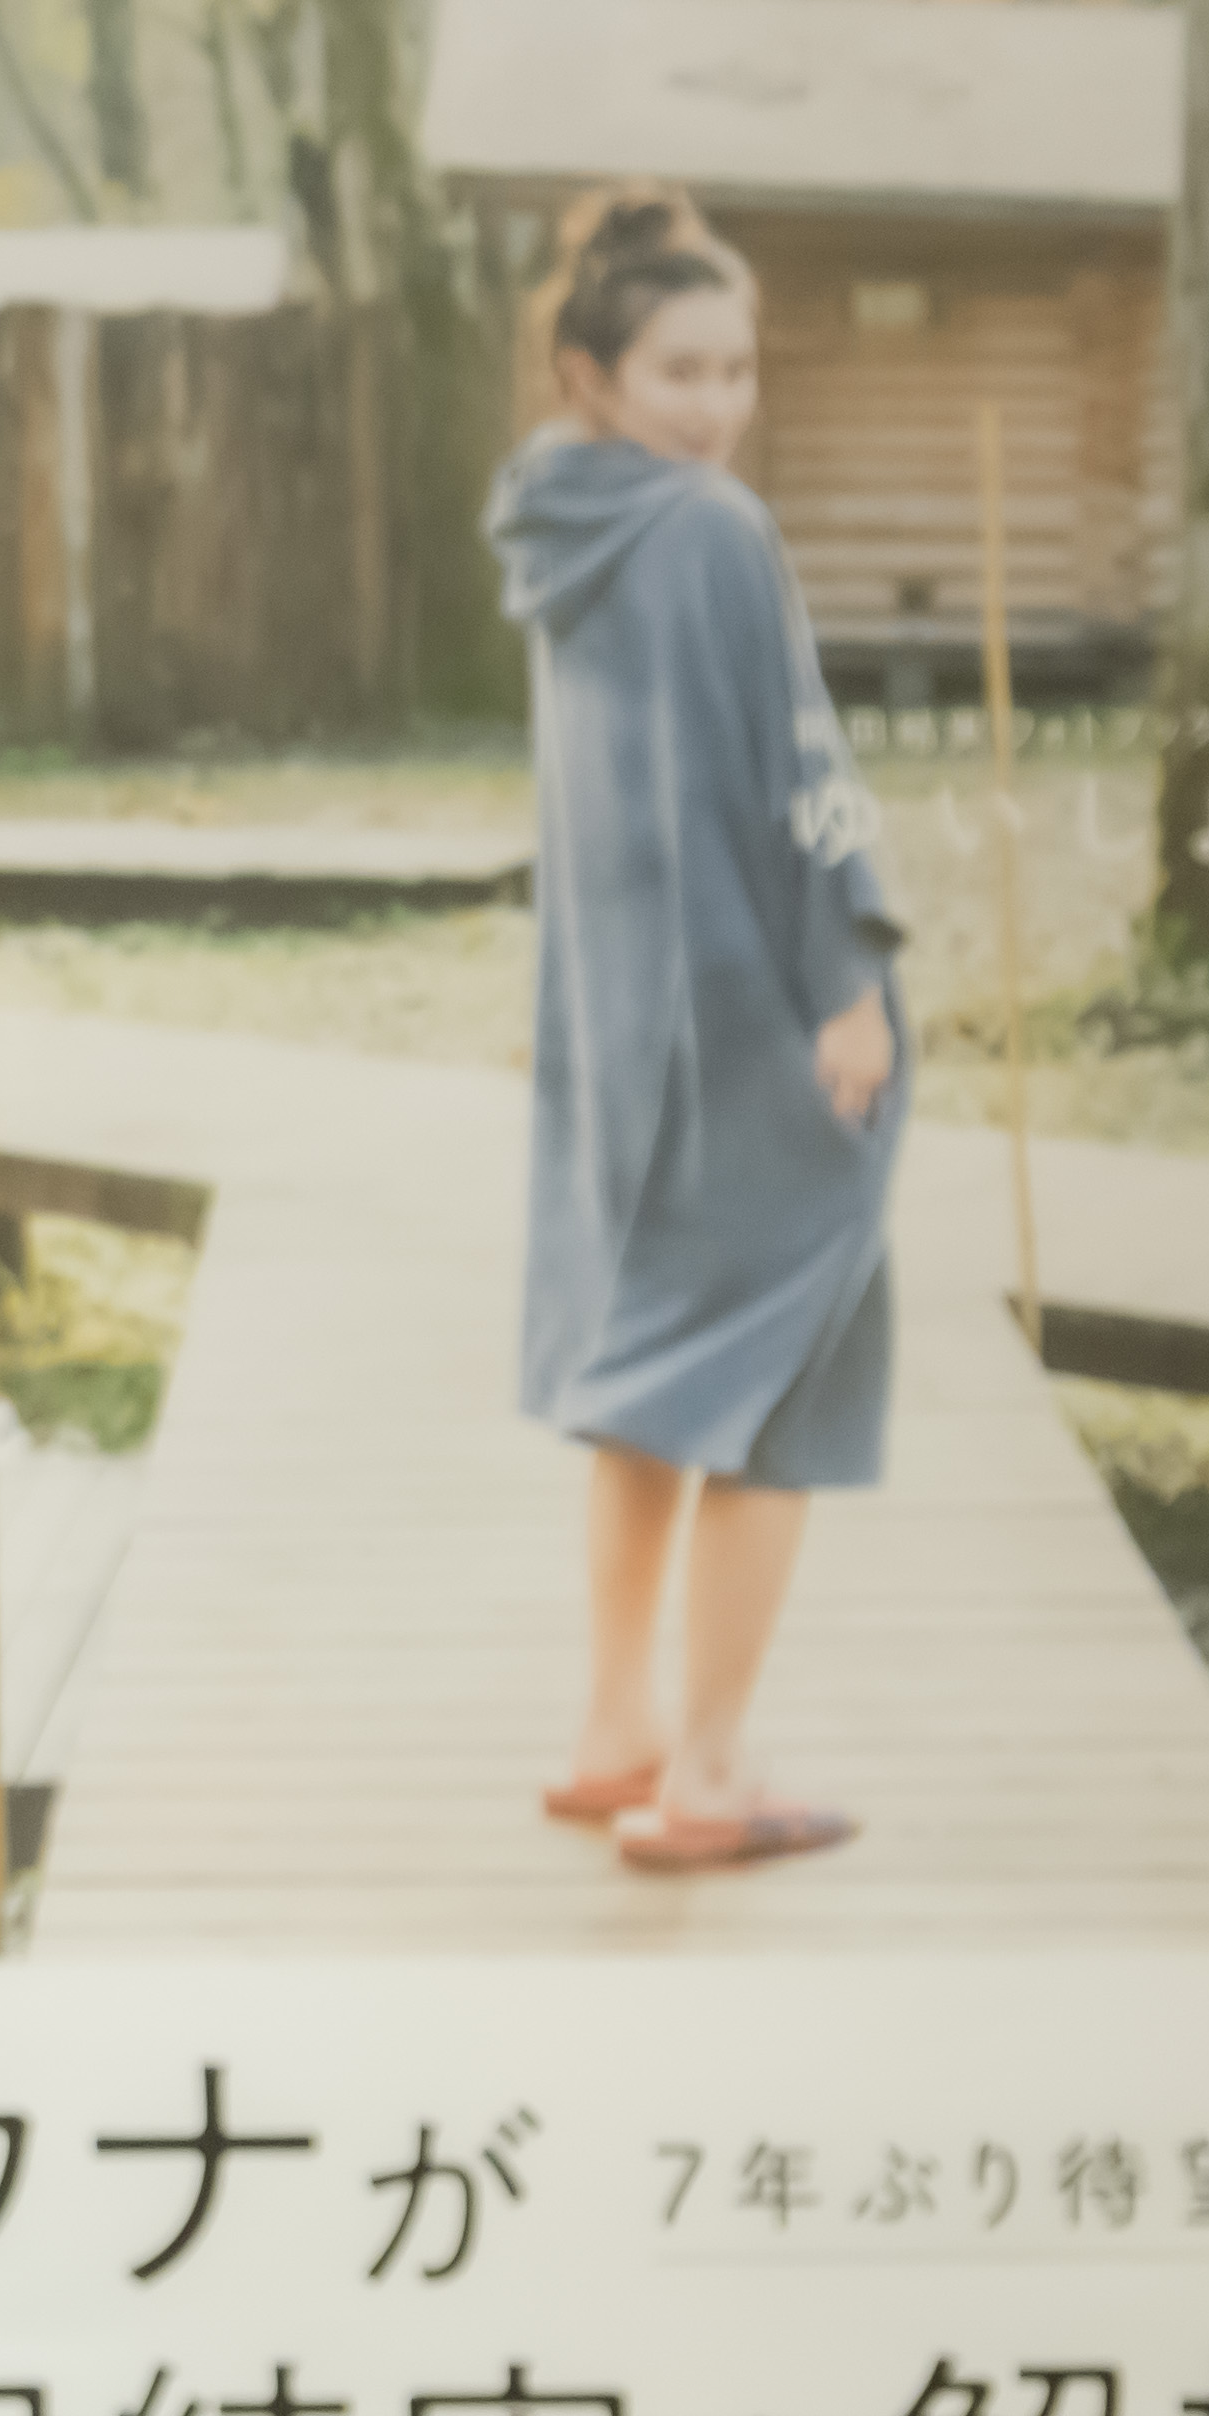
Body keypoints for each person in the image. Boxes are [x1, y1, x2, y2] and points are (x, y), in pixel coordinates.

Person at [493, 183, 899, 1877]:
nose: (716, 405)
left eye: (737, 369)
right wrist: (850, 979)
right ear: (590, 374)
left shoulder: (558, 531)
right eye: (680, 371)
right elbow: (801, 766)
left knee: (652, 1373)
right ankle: (713, 1773)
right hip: (748, 1021)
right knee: (783, 1379)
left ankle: (616, 1729)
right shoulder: (715, 530)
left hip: (622, 1036)